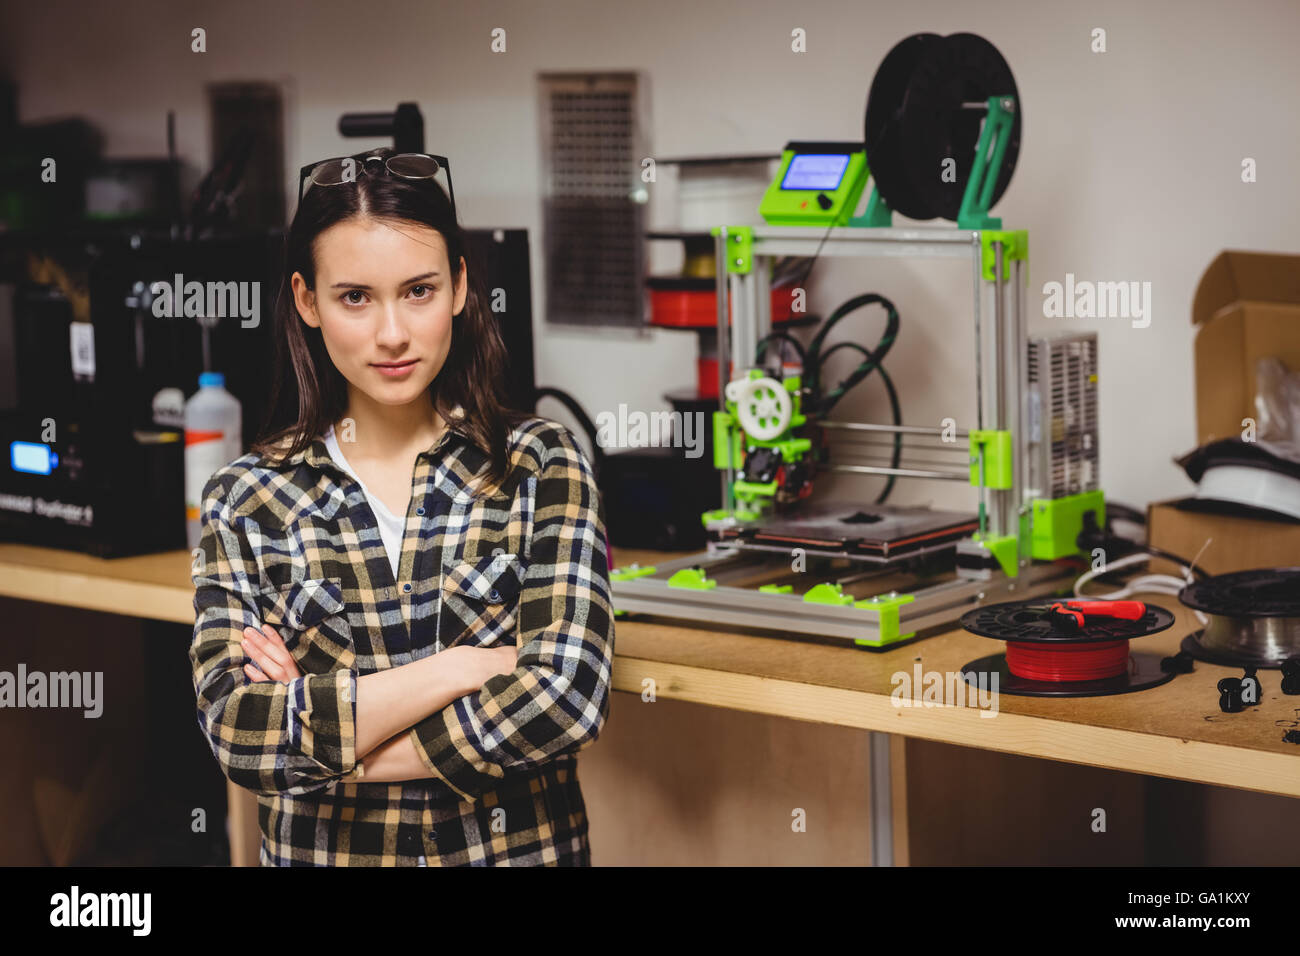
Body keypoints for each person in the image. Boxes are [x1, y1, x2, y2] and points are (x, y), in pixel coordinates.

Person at [189, 147, 614, 866]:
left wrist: (335, 746)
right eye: (356, 296)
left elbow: (566, 696)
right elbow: (239, 732)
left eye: (418, 290)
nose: (392, 333)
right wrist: (461, 669)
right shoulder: (245, 499)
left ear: (459, 287)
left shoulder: (542, 464)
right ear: (307, 301)